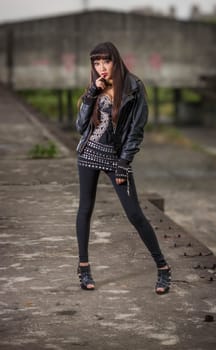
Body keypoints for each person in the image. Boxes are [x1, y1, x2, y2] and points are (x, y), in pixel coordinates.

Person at [75, 42, 171, 294]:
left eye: (105, 61)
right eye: (96, 63)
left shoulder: (134, 87)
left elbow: (136, 131)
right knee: (85, 210)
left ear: (116, 61)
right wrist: (90, 95)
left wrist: (123, 164)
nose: (101, 68)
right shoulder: (95, 88)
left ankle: (163, 268)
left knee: (134, 214)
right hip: (87, 154)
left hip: (116, 159)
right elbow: (80, 126)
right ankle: (84, 269)